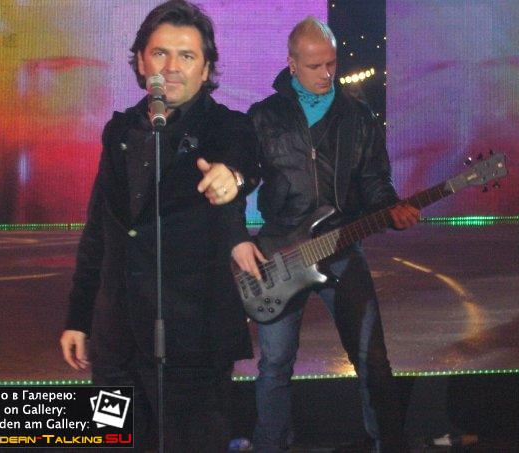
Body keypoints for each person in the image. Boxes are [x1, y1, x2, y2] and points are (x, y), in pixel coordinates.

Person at [59, 1, 259, 451]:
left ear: (205, 69)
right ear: (140, 61)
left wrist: (233, 177)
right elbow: (99, 234)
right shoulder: (119, 133)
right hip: (117, 345)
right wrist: (79, 318)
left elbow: (242, 159)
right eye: (160, 53)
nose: (171, 67)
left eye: (186, 56)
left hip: (193, 347)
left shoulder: (226, 127)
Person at [240, 17, 420, 452]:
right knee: (275, 365)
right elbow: (242, 180)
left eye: (331, 64)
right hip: (280, 252)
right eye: (315, 65)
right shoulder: (264, 117)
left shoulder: (358, 115)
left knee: (372, 358)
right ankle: (270, 445)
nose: (326, 74)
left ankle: (388, 444)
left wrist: (390, 208)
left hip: (340, 246)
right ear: (292, 64)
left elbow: (375, 180)